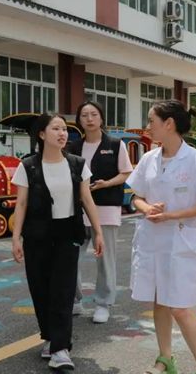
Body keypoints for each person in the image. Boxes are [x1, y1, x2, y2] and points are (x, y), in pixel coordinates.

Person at [127, 100, 196, 374]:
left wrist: (171, 215)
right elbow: (135, 197)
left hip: (180, 241)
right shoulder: (149, 158)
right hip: (153, 240)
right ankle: (165, 358)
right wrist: (147, 208)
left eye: (151, 121)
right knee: (159, 301)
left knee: (179, 307)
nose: (147, 127)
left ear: (169, 124)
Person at [10, 113, 105, 370]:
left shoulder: (77, 164)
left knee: (63, 291)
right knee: (40, 289)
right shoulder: (28, 165)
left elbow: (87, 199)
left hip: (67, 233)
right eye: (56, 129)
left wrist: (98, 232)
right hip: (36, 234)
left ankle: (61, 348)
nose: (62, 133)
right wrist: (16, 237)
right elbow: (21, 204)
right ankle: (50, 338)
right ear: (42, 134)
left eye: (64, 129)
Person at [68, 101, 133, 324]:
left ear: (101, 118)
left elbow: (126, 172)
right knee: (70, 258)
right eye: (84, 115)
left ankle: (103, 303)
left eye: (94, 114)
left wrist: (107, 184)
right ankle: (75, 300)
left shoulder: (115, 145)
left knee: (105, 259)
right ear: (79, 120)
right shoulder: (73, 146)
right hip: (77, 210)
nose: (89, 119)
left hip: (105, 208)